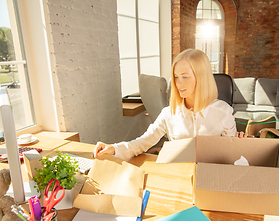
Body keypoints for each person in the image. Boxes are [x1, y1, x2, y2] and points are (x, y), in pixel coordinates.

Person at [94, 49, 245, 161]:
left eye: (185, 77)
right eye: (176, 77)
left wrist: (240, 143)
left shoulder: (223, 112)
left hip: (211, 177)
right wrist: (114, 148)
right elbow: (142, 142)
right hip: (178, 175)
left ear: (202, 78)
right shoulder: (169, 113)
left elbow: (229, 155)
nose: (178, 83)